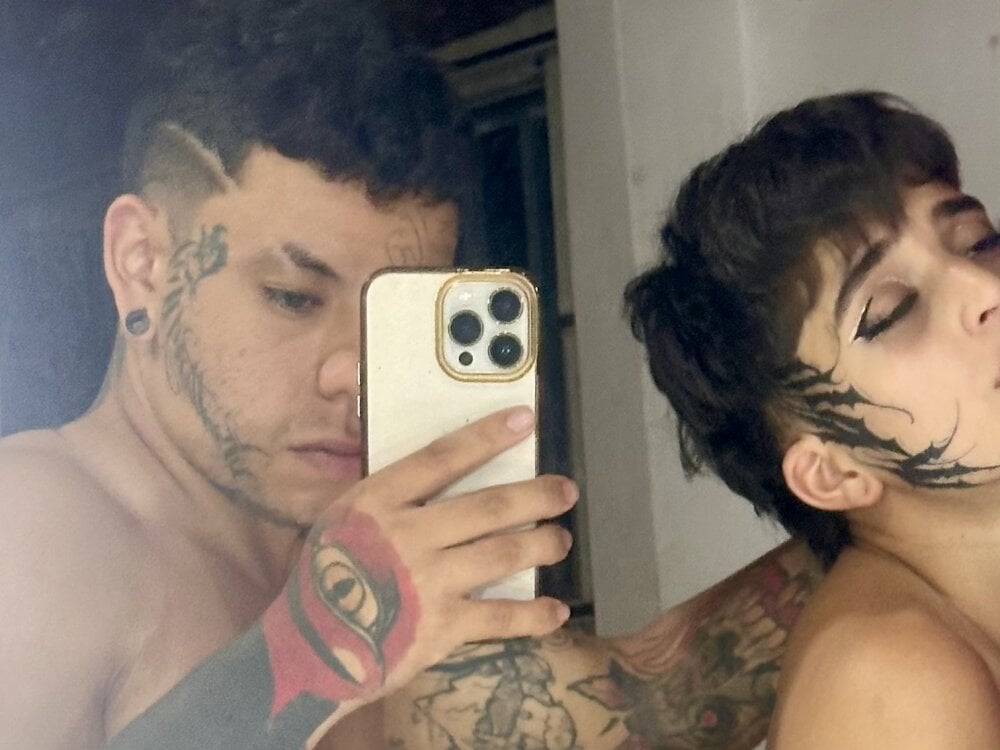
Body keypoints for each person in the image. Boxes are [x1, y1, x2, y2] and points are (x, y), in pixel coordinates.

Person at [0, 1, 822, 748]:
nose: (354, 376)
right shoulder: (37, 528)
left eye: (392, 318)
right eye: (292, 297)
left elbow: (647, 706)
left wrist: (878, 501)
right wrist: (312, 651)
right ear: (141, 263)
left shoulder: (360, 551)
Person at [626, 90, 1000, 748]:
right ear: (831, 473)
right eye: (892, 312)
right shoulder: (888, 681)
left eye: (978, 244)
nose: (988, 289)